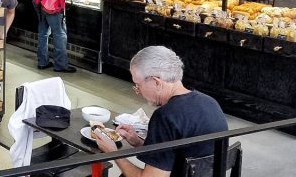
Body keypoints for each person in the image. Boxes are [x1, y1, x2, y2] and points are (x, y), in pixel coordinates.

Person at [95, 46, 228, 177]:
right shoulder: (210, 102)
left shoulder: (165, 116)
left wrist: (112, 152)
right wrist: (139, 142)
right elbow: (180, 152)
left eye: (138, 86)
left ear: (156, 82)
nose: (138, 92)